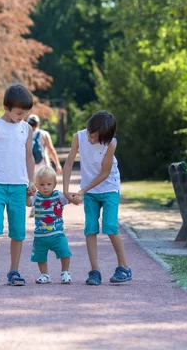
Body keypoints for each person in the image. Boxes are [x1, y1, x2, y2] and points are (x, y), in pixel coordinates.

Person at [62, 110, 132, 286]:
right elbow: (69, 163)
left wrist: (83, 190)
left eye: (96, 138)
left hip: (109, 187)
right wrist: (65, 190)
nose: (91, 140)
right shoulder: (79, 137)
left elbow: (105, 173)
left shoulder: (111, 144)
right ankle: (94, 271)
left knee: (110, 226)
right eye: (90, 135)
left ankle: (124, 267)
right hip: (91, 192)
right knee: (90, 228)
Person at [0, 83, 36, 286]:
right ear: (6, 108)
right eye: (19, 113)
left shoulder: (27, 129)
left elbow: (29, 156)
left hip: (19, 187)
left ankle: (14, 271)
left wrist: (31, 181)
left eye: (25, 113)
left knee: (18, 231)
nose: (21, 117)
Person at [27, 166, 73, 284]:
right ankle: (45, 274)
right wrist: (28, 195)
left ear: (55, 184)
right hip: (40, 235)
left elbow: (69, 199)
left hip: (57, 233)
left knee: (65, 252)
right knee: (40, 256)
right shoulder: (36, 196)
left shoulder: (58, 195)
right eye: (41, 185)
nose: (45, 187)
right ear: (36, 185)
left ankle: (65, 272)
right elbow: (28, 204)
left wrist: (75, 197)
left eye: (49, 184)